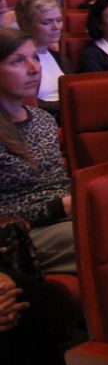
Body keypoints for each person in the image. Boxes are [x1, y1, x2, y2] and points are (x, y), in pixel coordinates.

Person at [0, 29, 75, 274]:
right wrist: (56, 208)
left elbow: (57, 182)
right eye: (18, 61)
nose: (34, 69)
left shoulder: (43, 119)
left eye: (35, 58)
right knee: (101, 237)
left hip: (67, 214)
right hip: (22, 232)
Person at [14, 0, 67, 116]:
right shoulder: (19, 62)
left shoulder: (58, 57)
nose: (56, 27)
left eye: (59, 20)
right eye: (47, 22)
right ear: (26, 24)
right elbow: (28, 105)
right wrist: (70, 103)